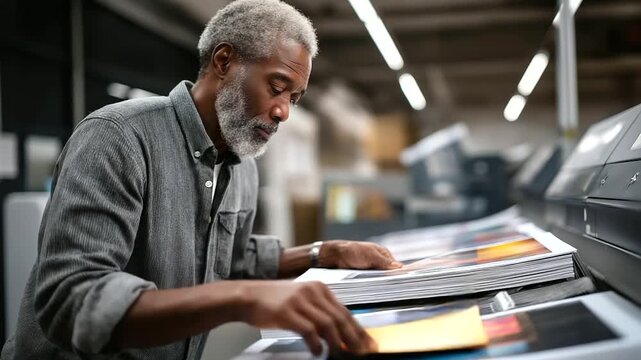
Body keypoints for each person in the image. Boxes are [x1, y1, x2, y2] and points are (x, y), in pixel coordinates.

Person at [1, 0, 403, 359]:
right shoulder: (118, 137)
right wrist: (241, 299)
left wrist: (322, 253)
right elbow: (71, 300)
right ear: (224, 61)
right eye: (277, 88)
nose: (283, 112)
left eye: (293, 99)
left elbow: (235, 261)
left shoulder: (242, 164)